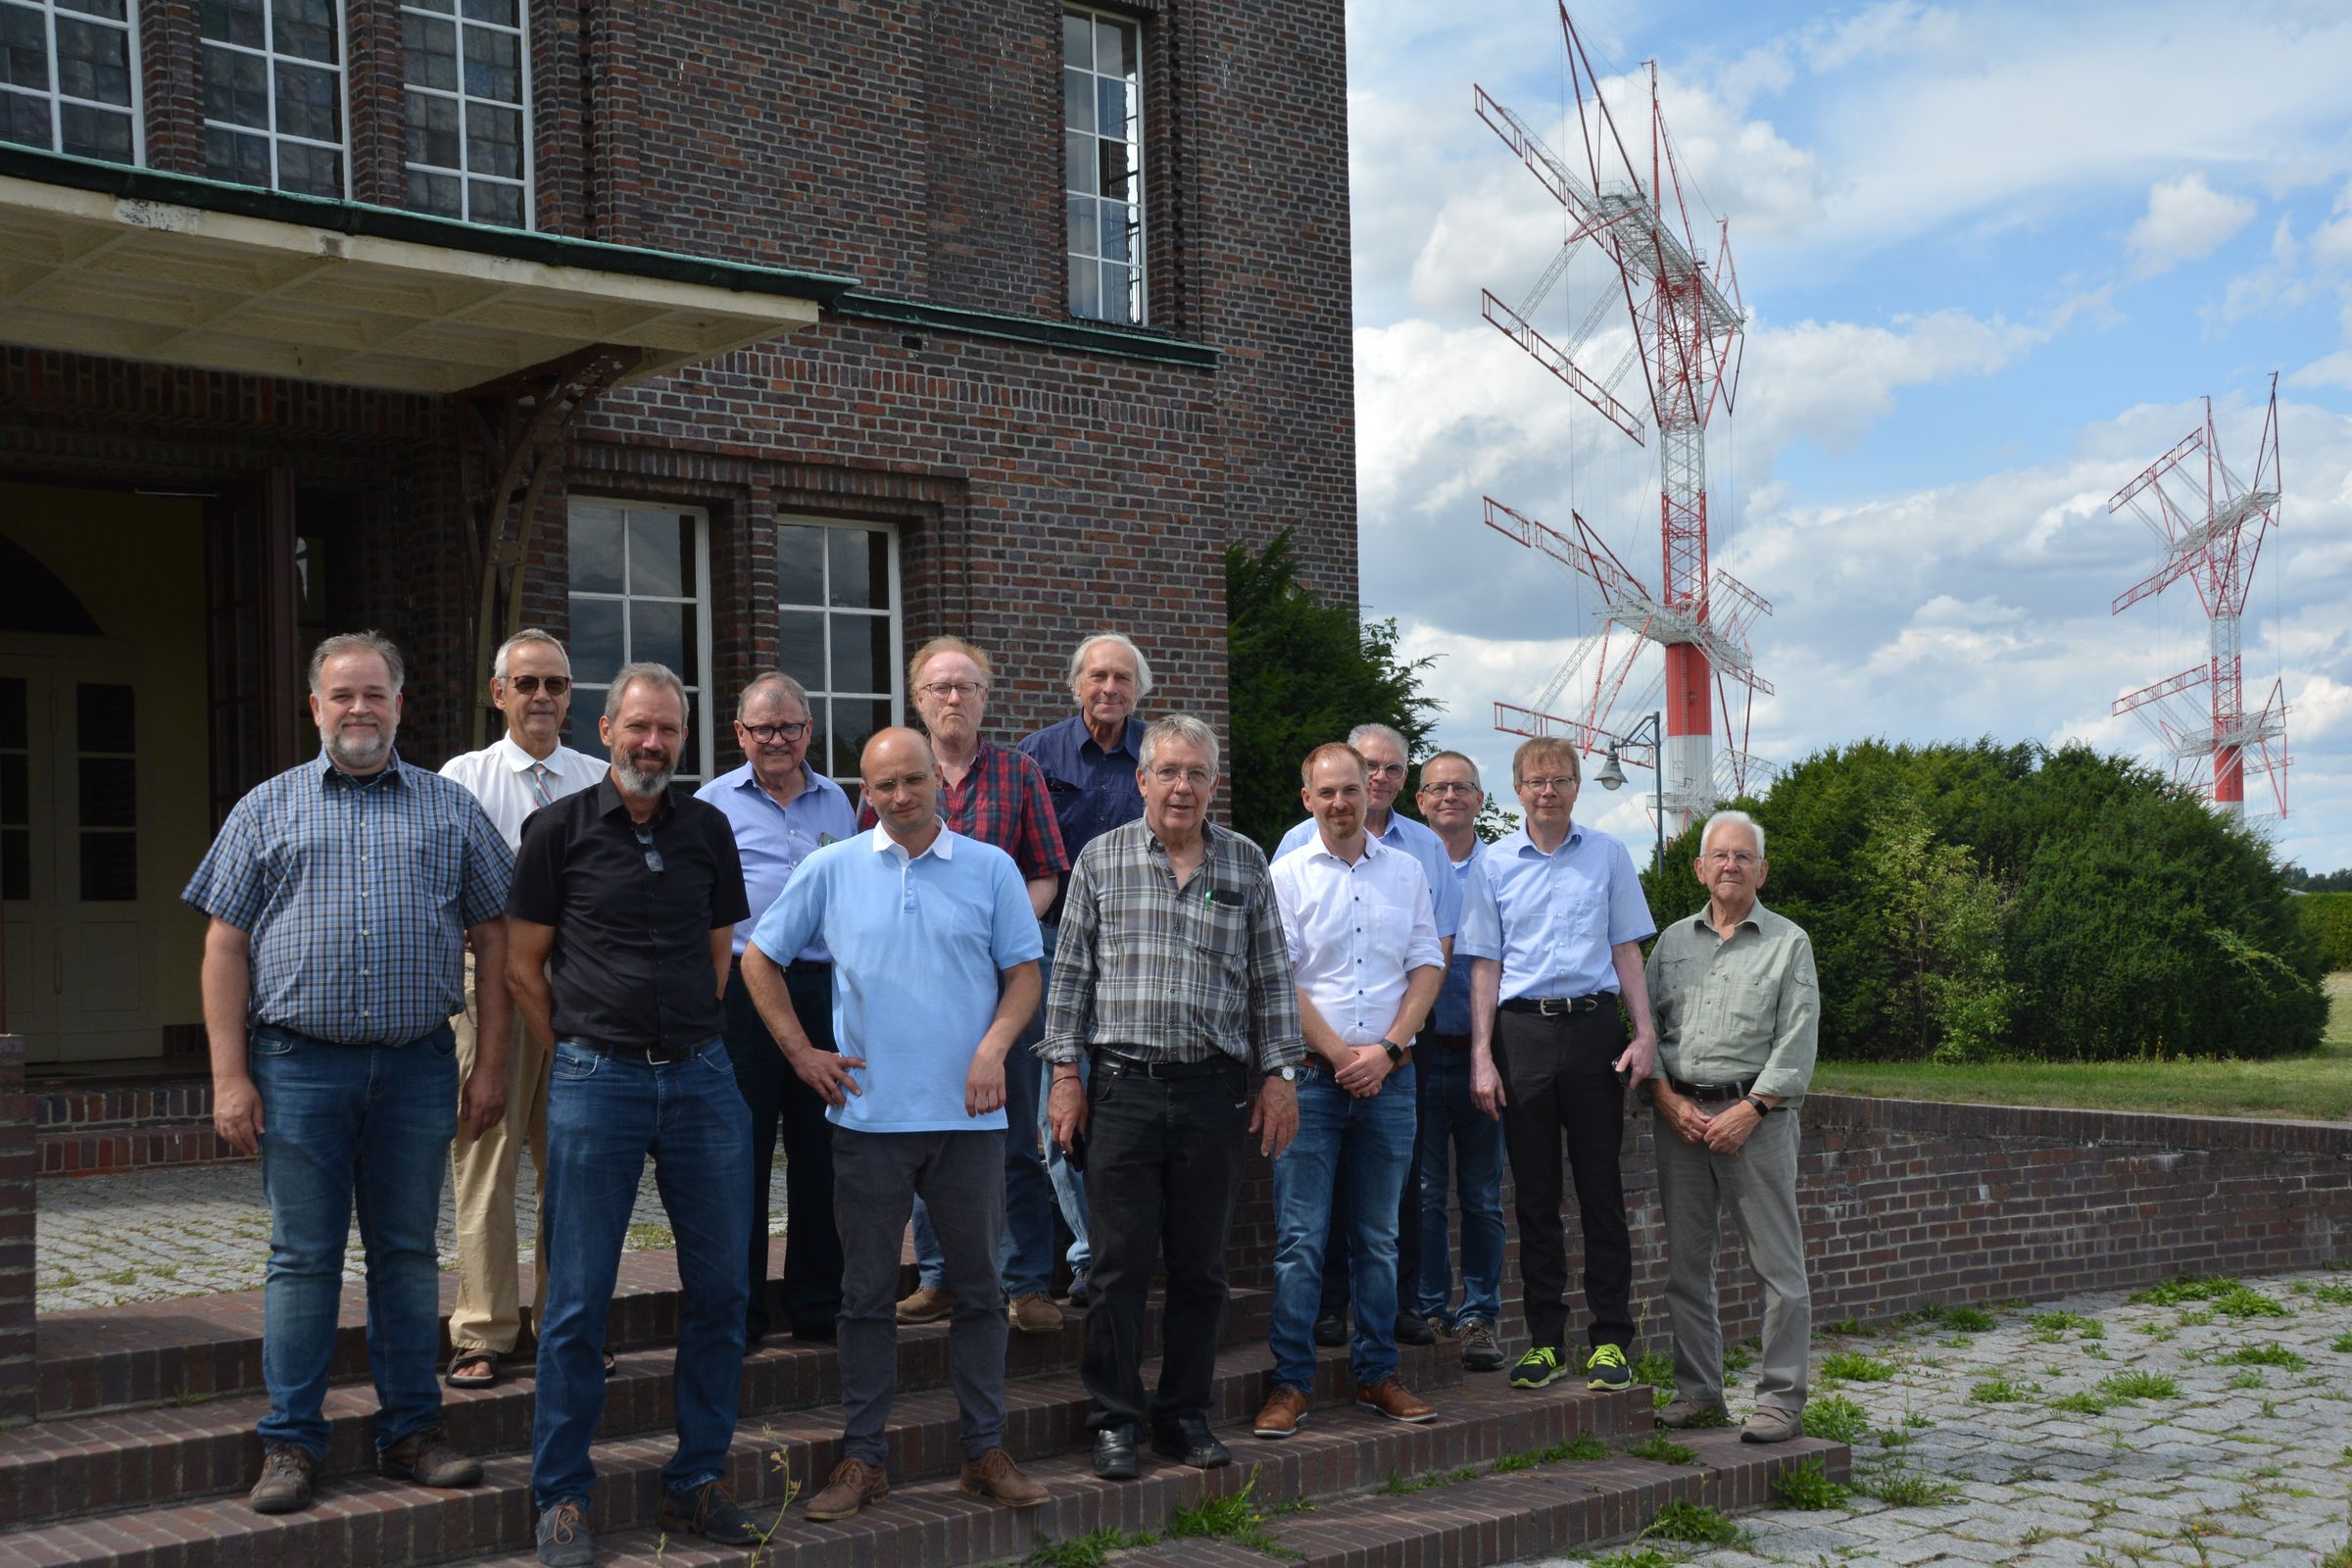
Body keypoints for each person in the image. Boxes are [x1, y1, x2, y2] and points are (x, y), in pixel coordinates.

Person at [182, 631, 510, 1515]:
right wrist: (228, 1078)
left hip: (416, 1069)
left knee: (405, 1257)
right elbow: (224, 946)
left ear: (401, 706)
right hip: (295, 1069)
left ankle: (412, 1432)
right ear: (316, 707)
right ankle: (291, 1444)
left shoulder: (450, 810)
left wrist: (493, 1070)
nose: (358, 709)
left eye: (375, 694)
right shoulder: (265, 808)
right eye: (341, 696)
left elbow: (494, 936)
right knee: (302, 1260)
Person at [743, 728, 1050, 1523]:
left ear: (938, 786)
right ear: (865, 793)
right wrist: (802, 1052)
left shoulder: (990, 868)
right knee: (865, 1295)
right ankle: (864, 1458)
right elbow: (757, 958)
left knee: (981, 1292)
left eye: (915, 781)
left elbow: (1024, 974)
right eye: (886, 786)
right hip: (869, 1122)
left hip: (969, 1122)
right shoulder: (831, 868)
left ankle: (983, 1452)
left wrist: (992, 1048)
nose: (903, 796)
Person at [506, 662, 760, 1568]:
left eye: (669, 732)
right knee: (576, 1298)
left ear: (684, 742)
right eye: (637, 727)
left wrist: (680, 1040)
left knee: (724, 1289)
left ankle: (696, 1481)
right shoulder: (555, 831)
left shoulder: (709, 829)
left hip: (702, 1083)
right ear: (605, 729)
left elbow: (719, 956)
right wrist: (577, 1044)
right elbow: (522, 968)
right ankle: (563, 1498)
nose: (652, 744)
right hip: (596, 1083)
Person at [1041, 713, 1303, 1481]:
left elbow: (1270, 980)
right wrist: (1064, 1077)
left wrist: (1281, 1075)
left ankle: (1183, 1415)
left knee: (1201, 1268)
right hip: (1121, 1087)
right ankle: (1115, 1419)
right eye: (1169, 772)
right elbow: (1072, 980)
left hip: (1213, 1092)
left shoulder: (1246, 865)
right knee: (1119, 1266)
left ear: (1213, 784)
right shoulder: (1101, 859)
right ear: (1142, 780)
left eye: (1197, 773)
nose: (1182, 786)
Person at [871, 639, 1069, 1336]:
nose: (952, 699)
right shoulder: (895, 777)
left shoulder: (1020, 775)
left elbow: (1046, 870)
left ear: (986, 697)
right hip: (918, 993)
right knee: (929, 1128)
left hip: (1002, 987)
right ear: (918, 699)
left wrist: (1011, 934)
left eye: (965, 687)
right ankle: (939, 1278)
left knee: (1012, 1134)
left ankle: (1024, 1281)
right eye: (938, 688)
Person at [1254, 745, 1445, 1441]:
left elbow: (1428, 964)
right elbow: (1280, 978)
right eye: (1325, 792)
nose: (1340, 803)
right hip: (1310, 1078)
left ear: (1371, 794)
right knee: (1301, 1240)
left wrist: (1390, 1050)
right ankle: (1291, 1384)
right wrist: (1341, 1056)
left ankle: (1377, 1375)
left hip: (1391, 1080)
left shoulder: (1407, 872)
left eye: (1350, 791)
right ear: (1307, 799)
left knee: (1381, 1238)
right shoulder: (1284, 877)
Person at [1457, 736, 1658, 1395]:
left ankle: (1610, 1340)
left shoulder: (1608, 854)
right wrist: (1482, 1057)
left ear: (1576, 787)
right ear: (1517, 791)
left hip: (1595, 1027)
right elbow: (1484, 964)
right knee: (1536, 1197)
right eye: (1536, 781)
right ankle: (1545, 1341)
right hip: (1522, 1036)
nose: (1549, 790)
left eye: (1561, 779)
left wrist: (1646, 1032)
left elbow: (1626, 947)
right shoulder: (1491, 865)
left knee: (1601, 1191)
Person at [438, 629, 607, 1389]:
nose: (543, 697)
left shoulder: (600, 779)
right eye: (527, 683)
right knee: (486, 1160)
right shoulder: (462, 779)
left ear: (573, 696)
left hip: (582, 995)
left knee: (574, 1168)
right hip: (493, 996)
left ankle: (567, 1327)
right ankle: (483, 1331)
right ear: (498, 692)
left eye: (557, 685)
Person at [1644, 809, 1818, 1445]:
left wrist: (1753, 1110)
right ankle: (1699, 1393)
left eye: (1743, 857)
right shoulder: (1670, 943)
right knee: (1686, 1268)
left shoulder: (1788, 943)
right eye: (1719, 855)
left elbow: (1797, 1043)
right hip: (1681, 1122)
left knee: (1779, 1269)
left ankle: (1780, 1401)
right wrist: (1663, 1098)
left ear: (1762, 870)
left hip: (1758, 1123)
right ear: (1700, 867)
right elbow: (1647, 1031)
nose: (1730, 866)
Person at [697, 672, 858, 1348]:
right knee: (743, 1153)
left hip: (822, 990)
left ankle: (818, 1306)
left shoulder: (841, 805)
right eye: (762, 729)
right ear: (739, 734)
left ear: (808, 731)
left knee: (822, 1152)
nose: (776, 740)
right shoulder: (709, 806)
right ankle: (742, 1314)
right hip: (740, 994)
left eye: (789, 727)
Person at [1015, 631, 1155, 1307]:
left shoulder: (1159, 756)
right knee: (1059, 1105)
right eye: (1097, 676)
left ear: (1139, 691)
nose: (1109, 689)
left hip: (1138, 956)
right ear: (1075, 685)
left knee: (1124, 1109)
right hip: (1053, 947)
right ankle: (1086, 1255)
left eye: (1122, 679)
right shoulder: (1036, 757)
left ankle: (1116, 1250)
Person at [1407, 751, 1507, 1372]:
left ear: (1479, 798)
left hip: (1483, 1056)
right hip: (1414, 1056)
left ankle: (1481, 1315)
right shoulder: (1401, 864)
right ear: (1421, 800)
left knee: (1481, 1194)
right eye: (1438, 788)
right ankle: (1430, 1308)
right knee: (1420, 1194)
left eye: (1462, 788)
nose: (1449, 796)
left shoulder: (1501, 866)